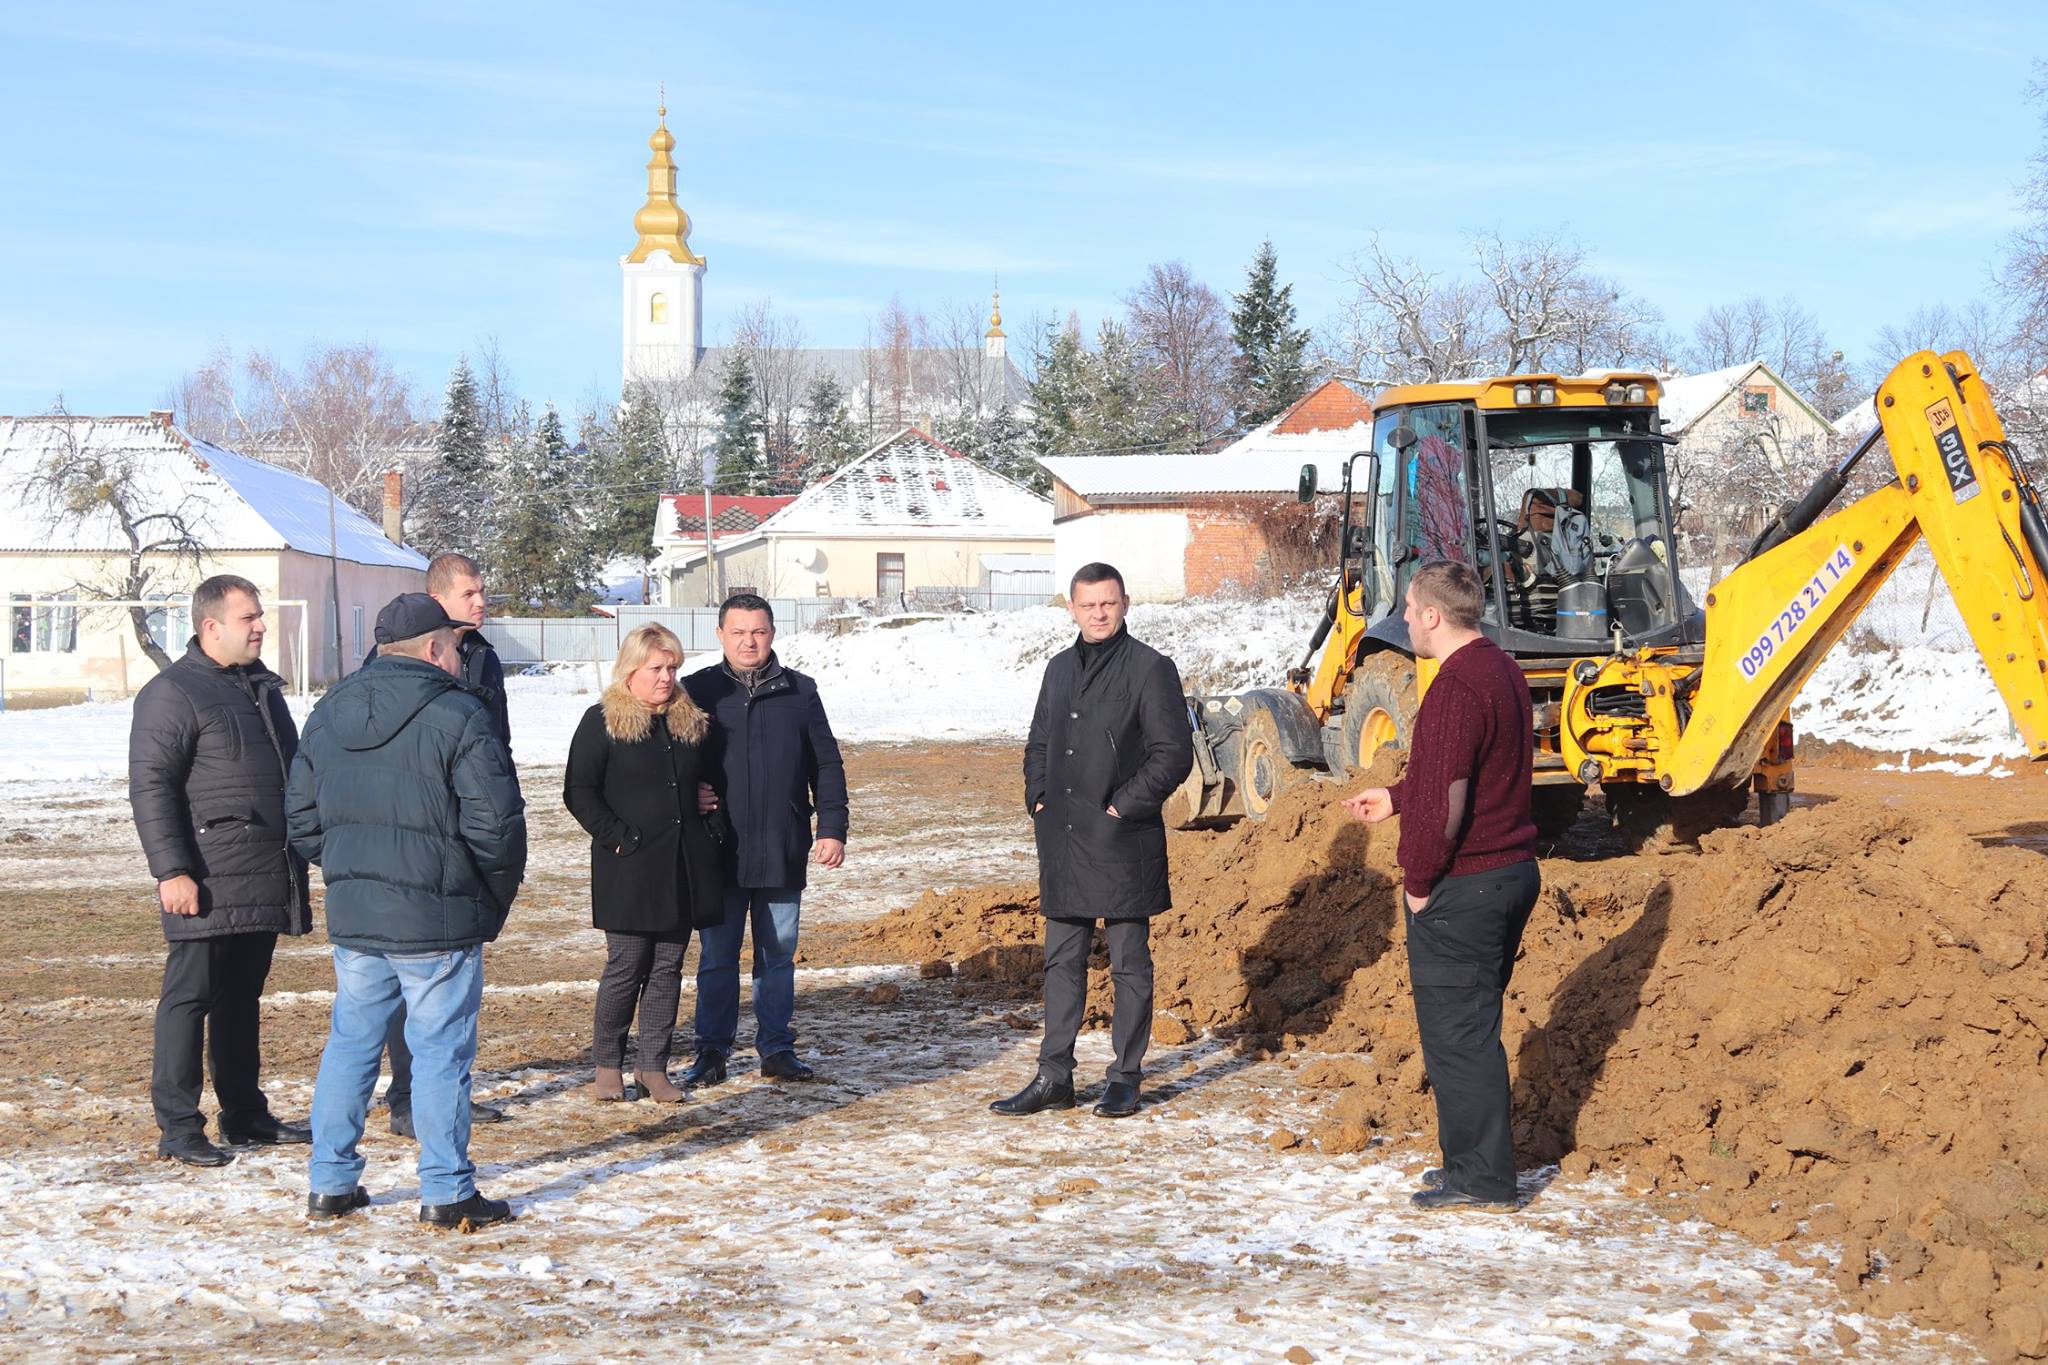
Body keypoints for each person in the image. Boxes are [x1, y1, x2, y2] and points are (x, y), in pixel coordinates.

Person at [287, 593, 527, 1226]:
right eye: (452, 645)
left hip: (359, 914)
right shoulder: (459, 713)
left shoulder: (328, 710)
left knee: (351, 1045)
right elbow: (497, 826)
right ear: (433, 648)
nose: (457, 657)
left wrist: (348, 870)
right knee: (440, 1052)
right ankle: (446, 1190)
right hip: (436, 919)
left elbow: (302, 821)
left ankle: (330, 1182)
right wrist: (487, 898)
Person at [1343, 561, 1539, 1210]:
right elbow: (1472, 773)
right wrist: (1398, 796)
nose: (1403, 618)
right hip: (1511, 871)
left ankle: (1483, 1179)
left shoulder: (1454, 689)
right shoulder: (1501, 669)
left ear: (1432, 614)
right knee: (1470, 1025)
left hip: (1467, 882)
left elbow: (1451, 804)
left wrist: (1420, 882)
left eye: (1408, 607)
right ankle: (1466, 1165)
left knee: (1459, 1035)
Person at [994, 562, 1192, 1120]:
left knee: (1129, 962)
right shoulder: (1058, 669)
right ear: (1072, 608)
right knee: (1061, 960)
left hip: (1122, 838)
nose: (1099, 613)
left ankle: (1125, 1078)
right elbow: (1038, 741)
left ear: (1125, 603)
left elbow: (1172, 754)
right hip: (1063, 837)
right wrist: (1038, 796)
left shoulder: (1151, 668)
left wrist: (1122, 804)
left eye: (1108, 603)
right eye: (1088, 605)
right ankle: (1054, 1076)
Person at [128, 574, 313, 1166]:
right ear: (211, 627)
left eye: (259, 616)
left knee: (240, 998)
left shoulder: (262, 690)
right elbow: (151, 787)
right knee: (190, 997)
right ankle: (179, 1126)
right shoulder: (172, 693)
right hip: (205, 877)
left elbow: (293, 774)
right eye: (248, 618)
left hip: (262, 869)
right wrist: (171, 869)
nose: (261, 625)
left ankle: (244, 1114)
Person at [361, 552, 512, 1136]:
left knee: (457, 982)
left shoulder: (483, 657)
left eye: (482, 590)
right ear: (439, 599)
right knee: (410, 979)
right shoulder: (391, 662)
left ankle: (445, 1093)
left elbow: (494, 747)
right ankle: (407, 1099)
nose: (481, 601)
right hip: (417, 836)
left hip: (467, 832)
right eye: (471, 592)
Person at [681, 593, 847, 1087]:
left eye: (759, 631)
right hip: (719, 848)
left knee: (777, 955)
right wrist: (690, 792)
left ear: (772, 633)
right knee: (717, 958)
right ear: (720, 635)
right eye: (738, 632)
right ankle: (710, 1050)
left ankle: (776, 1049)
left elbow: (826, 763)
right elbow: (674, 760)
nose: (749, 641)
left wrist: (832, 826)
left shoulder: (800, 690)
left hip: (781, 844)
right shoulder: (697, 691)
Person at [564, 624, 726, 1103]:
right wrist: (617, 837)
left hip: (681, 866)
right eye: (656, 668)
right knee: (627, 964)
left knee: (668, 967)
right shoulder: (603, 721)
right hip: (628, 866)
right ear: (631, 670)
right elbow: (578, 791)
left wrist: (712, 814)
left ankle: (653, 1067)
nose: (666, 677)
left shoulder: (690, 722)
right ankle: (607, 1065)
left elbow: (712, 781)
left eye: (672, 667)